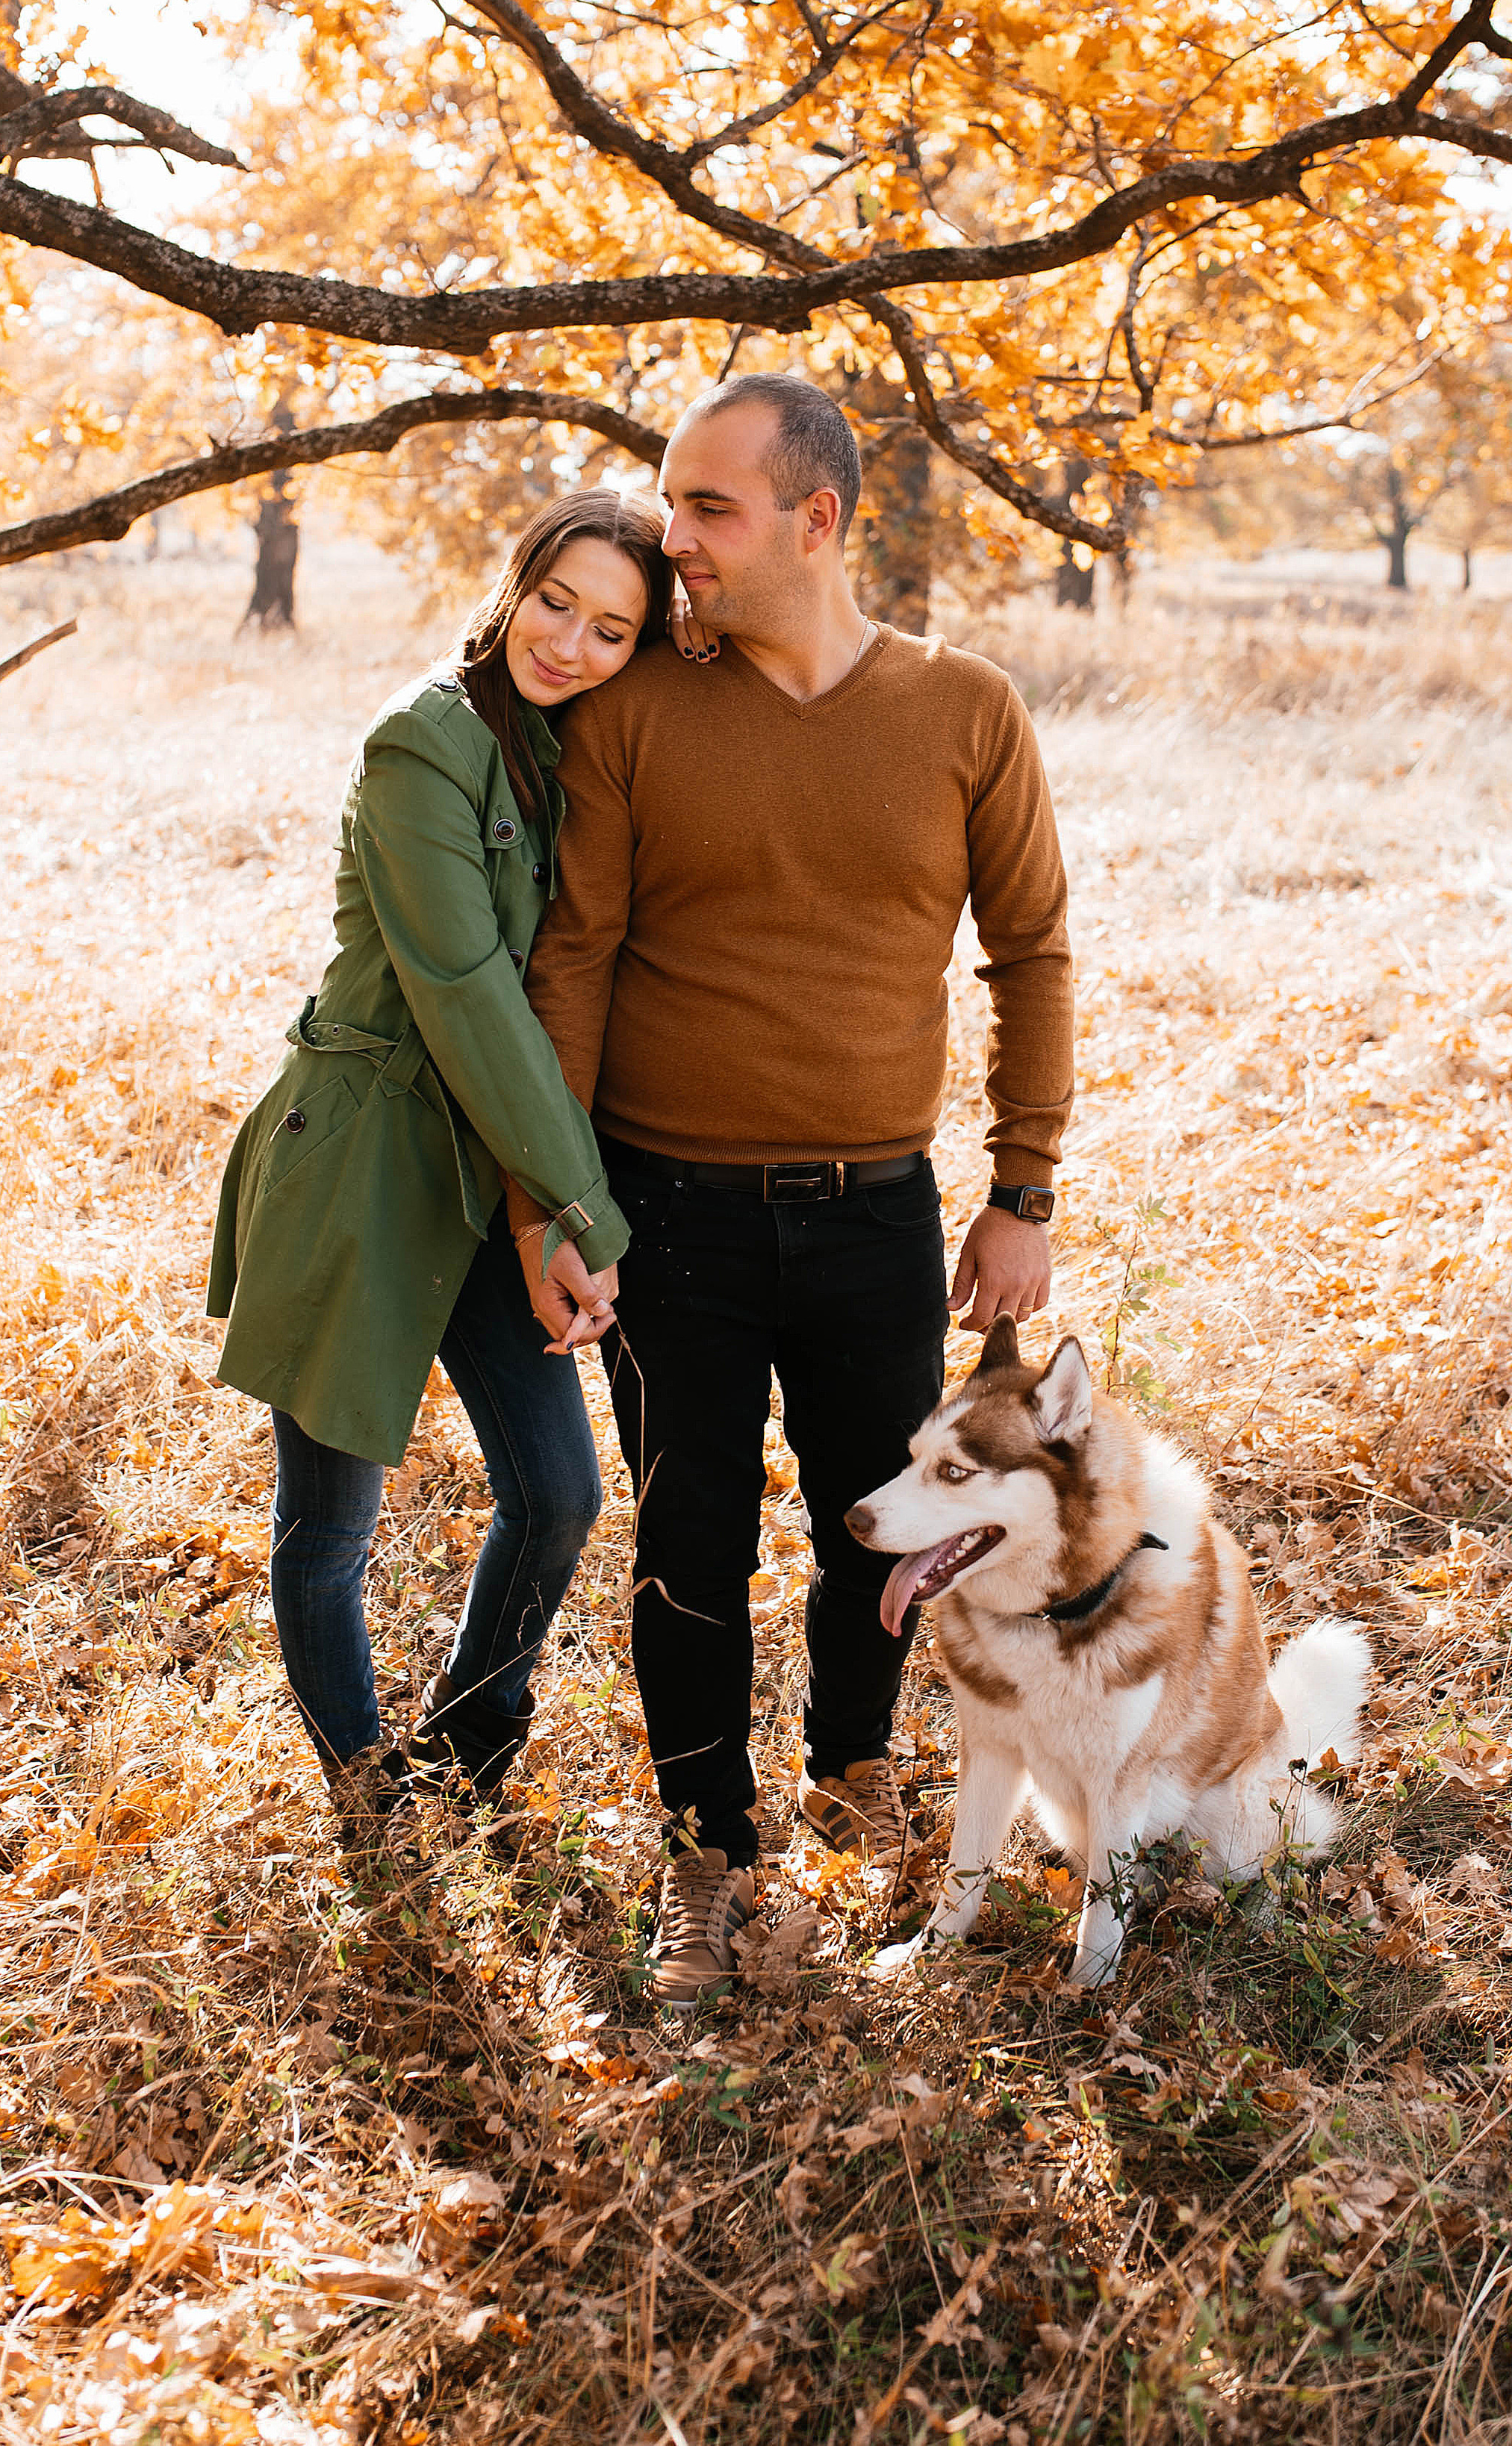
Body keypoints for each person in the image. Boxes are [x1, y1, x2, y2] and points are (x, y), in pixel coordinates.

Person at [507, 370, 1075, 2005]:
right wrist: (554, 1203)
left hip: (874, 1216)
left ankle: (853, 1771)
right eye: (669, 502)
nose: (666, 536)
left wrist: (1018, 1188)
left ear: (813, 523)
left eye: (705, 508)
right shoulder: (633, 710)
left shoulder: (964, 710)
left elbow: (1029, 950)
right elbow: (579, 962)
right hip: (662, 1211)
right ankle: (707, 1846)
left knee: (874, 1529)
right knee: (685, 1534)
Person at [207, 489, 673, 1843]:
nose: (573, 644)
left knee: (561, 1491)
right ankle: (364, 1790)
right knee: (334, 1520)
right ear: (515, 580)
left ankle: (459, 1764)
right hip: (364, 1157)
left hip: (488, 1167)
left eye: (612, 630)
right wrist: (585, 1208)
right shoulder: (430, 738)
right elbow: (470, 995)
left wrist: (539, 1204)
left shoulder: (560, 746)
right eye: (556, 603)